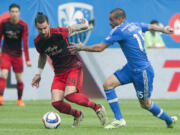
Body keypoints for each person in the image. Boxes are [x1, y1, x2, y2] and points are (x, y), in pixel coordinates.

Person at [69, 8, 178, 129]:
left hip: (143, 72)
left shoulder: (119, 31)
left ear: (120, 19)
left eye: (111, 20)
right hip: (131, 68)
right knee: (108, 85)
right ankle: (119, 119)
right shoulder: (134, 25)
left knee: (146, 104)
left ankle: (169, 120)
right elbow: (150, 26)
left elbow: (100, 48)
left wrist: (82, 47)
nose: (109, 22)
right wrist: (163, 29)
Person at [31, 12, 107, 128]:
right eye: (40, 29)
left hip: (73, 67)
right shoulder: (38, 42)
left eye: (45, 28)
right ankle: (77, 115)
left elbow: (73, 28)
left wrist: (85, 25)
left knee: (70, 95)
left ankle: (97, 107)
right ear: (37, 28)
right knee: (56, 103)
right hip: (59, 73)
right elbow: (42, 56)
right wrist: (38, 73)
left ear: (49, 25)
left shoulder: (58, 32)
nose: (43, 31)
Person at [0, 3, 32, 106]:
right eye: (12, 12)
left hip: (17, 55)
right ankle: (0, 98)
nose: (14, 14)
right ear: (9, 13)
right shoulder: (4, 23)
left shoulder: (23, 25)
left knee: (19, 78)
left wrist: (27, 59)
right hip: (6, 53)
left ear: (19, 13)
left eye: (16, 12)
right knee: (4, 74)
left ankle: (19, 100)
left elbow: (25, 43)